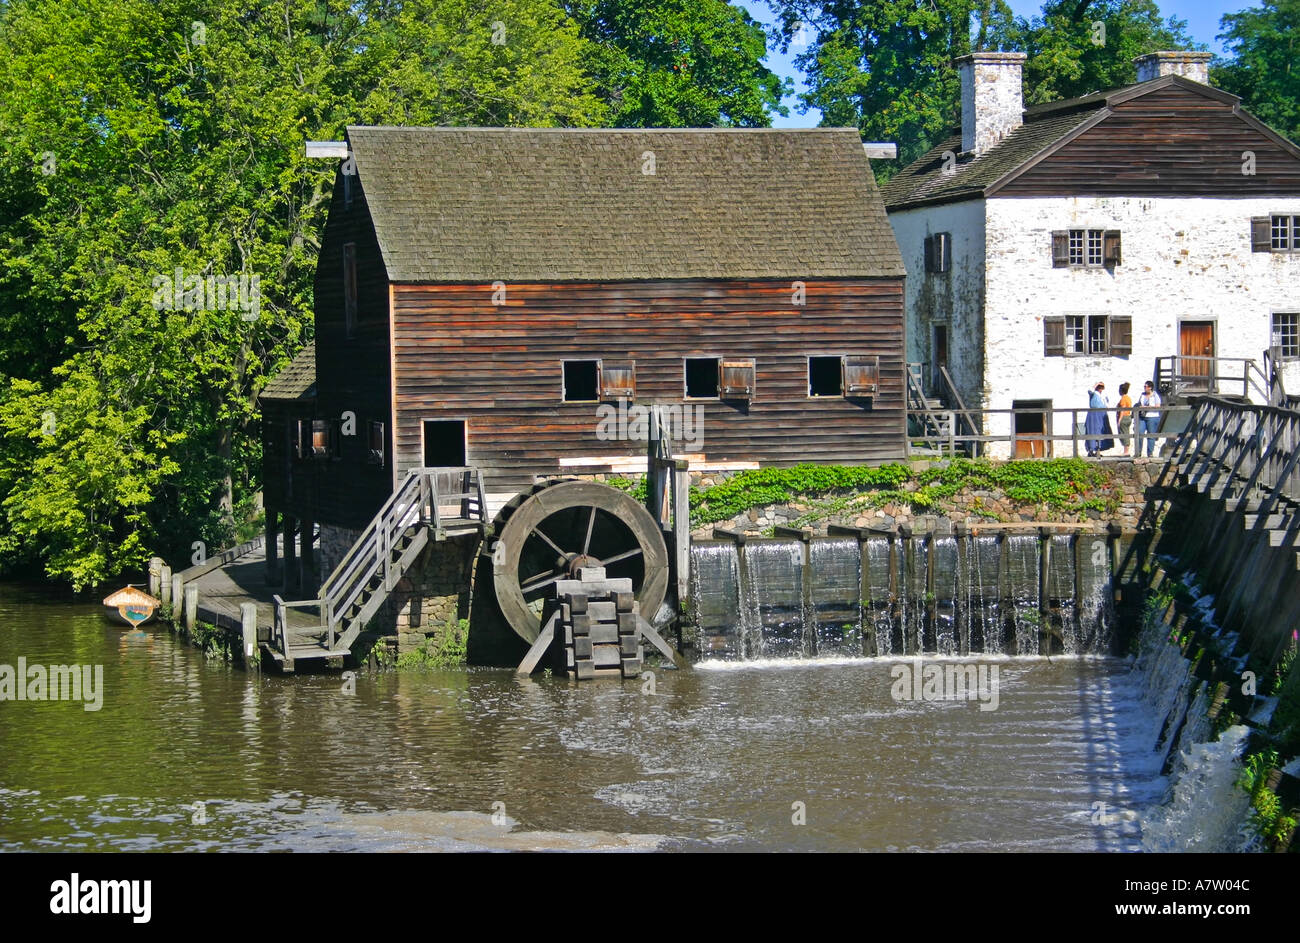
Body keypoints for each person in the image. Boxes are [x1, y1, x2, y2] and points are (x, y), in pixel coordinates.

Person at [1085, 382, 1114, 456]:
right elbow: (1089, 390)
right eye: (1099, 387)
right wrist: (1096, 384)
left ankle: (1098, 450)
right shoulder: (1093, 393)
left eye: (1101, 387)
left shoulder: (1103, 396)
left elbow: (1107, 405)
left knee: (1102, 431)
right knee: (1093, 431)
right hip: (1094, 415)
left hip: (1102, 414)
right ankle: (1092, 450)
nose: (1100, 388)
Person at [1137, 380, 1162, 458]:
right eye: (1144, 386)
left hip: (1152, 416)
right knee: (1140, 433)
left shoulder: (1155, 395)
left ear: (1150, 387)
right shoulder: (1142, 395)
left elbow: (1158, 406)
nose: (1144, 388)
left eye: (1146, 386)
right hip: (1143, 416)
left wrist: (1146, 407)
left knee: (1151, 434)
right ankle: (1138, 452)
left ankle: (1150, 453)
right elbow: (1139, 404)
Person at [1116, 382, 1133, 456]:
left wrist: (1119, 419)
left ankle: (1126, 451)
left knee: (1124, 433)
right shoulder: (1128, 398)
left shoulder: (1123, 398)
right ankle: (1126, 450)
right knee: (1126, 432)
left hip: (1124, 417)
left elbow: (1122, 409)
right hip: (1128, 416)